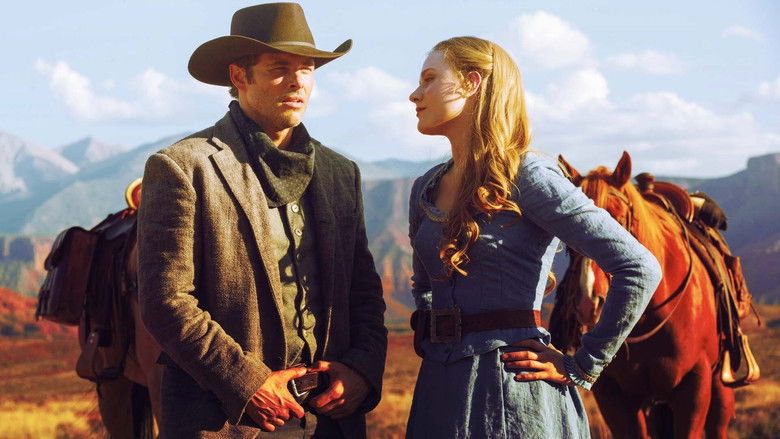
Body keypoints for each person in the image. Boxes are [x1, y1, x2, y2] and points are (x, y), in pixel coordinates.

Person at [136, 4, 387, 438]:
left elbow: (363, 291)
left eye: (306, 69)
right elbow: (166, 300)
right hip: (228, 419)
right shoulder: (184, 167)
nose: (297, 81)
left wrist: (362, 370)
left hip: (332, 418)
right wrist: (246, 383)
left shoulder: (340, 172)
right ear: (239, 76)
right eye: (279, 68)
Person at [405, 36, 662, 438]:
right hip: (439, 390)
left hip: (514, 392)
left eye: (429, 79)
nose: (415, 94)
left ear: (472, 83)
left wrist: (584, 365)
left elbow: (638, 266)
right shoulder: (425, 187)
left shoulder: (529, 176)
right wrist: (433, 335)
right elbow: (425, 285)